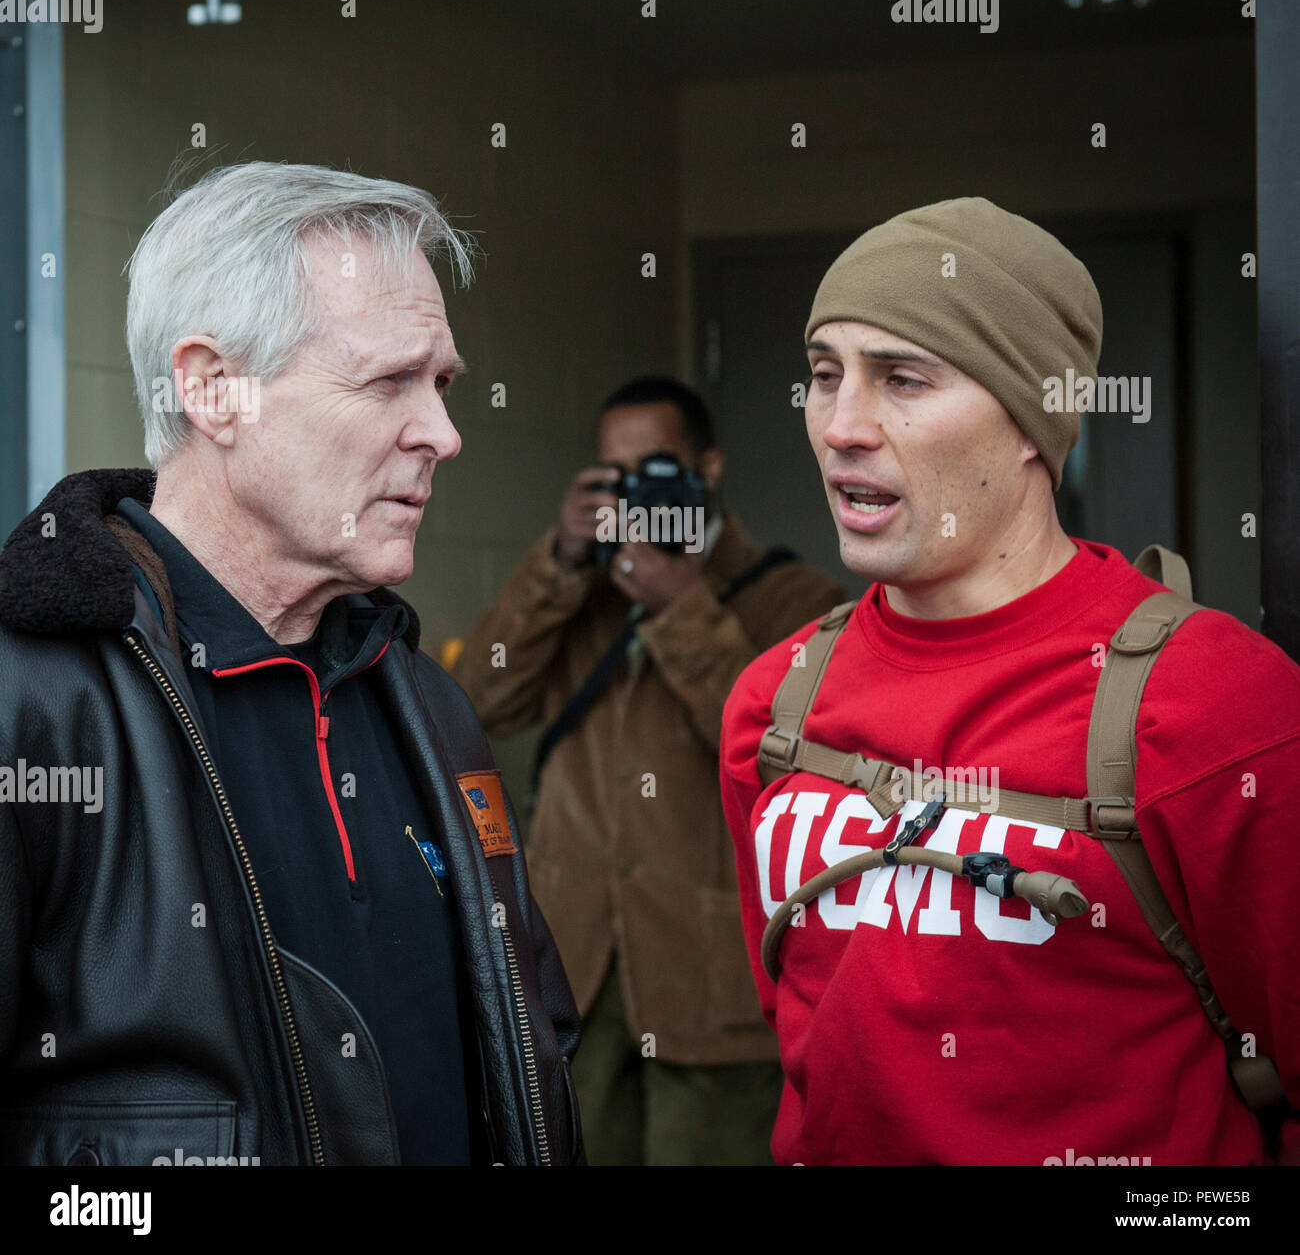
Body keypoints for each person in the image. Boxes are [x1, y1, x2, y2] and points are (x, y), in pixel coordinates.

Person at [0, 162, 582, 1166]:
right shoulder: (33, 702)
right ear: (212, 389)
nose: (443, 434)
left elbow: (532, 1049)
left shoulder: (425, 702)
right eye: (387, 381)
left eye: (438, 384)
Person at [720, 196, 1300, 1166]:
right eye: (824, 377)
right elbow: (805, 1028)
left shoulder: (1216, 706)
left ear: (1035, 418)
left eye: (903, 379)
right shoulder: (774, 700)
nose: (841, 426)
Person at [454, 377, 844, 1164]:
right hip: (575, 975)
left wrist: (681, 605)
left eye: (657, 467)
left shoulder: (794, 596)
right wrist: (558, 562)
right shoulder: (582, 593)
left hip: (712, 987)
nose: (637, 492)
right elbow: (482, 702)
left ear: (707, 469)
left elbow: (784, 750)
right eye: (616, 473)